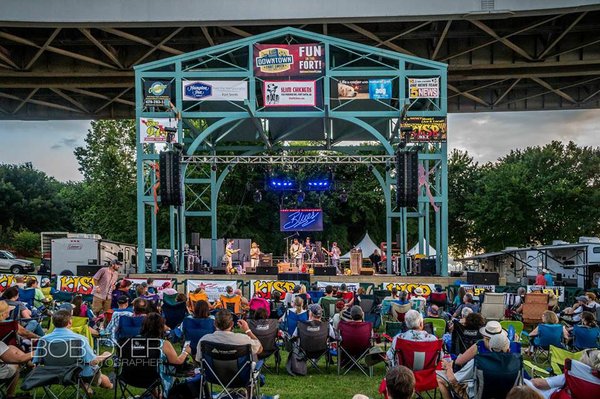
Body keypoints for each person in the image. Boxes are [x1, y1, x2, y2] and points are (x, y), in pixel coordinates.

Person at [35, 310, 113, 390]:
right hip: (76, 376)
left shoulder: (43, 340)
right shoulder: (80, 339)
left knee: (82, 367)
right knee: (92, 370)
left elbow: (37, 361)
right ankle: (111, 385)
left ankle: (87, 387)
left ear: (53, 323)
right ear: (70, 322)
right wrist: (105, 355)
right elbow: (93, 361)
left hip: (51, 375)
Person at [437, 330, 512, 399]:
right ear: (509, 350)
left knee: (440, 379)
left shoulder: (478, 361)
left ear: (490, 348)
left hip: (476, 396)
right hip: (505, 396)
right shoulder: (515, 363)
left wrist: (448, 367)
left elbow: (453, 380)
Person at [139, 312, 191, 395]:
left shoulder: (135, 341)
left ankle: (155, 394)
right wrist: (185, 352)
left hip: (136, 376)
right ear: (160, 327)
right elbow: (177, 361)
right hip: (157, 377)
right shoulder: (163, 343)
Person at [526, 348, 600, 399]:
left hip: (550, 396)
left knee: (525, 381)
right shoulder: (596, 382)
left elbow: (539, 384)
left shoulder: (574, 376)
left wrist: (532, 380)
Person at [196, 309, 262, 361]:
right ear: (232, 324)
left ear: (215, 324)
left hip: (213, 376)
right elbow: (259, 349)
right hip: (240, 376)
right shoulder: (243, 339)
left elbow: (199, 359)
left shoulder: (204, 340)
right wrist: (247, 330)